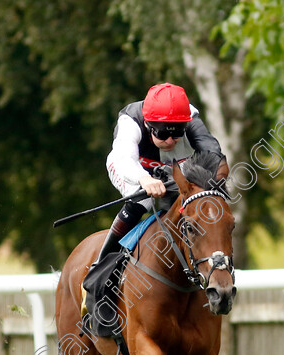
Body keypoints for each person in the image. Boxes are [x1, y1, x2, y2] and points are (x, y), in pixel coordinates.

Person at [86, 82, 225, 279]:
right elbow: (125, 160)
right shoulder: (130, 122)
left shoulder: (190, 117)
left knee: (190, 201)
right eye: (162, 133)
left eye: (177, 133)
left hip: (173, 169)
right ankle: (102, 267)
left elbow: (212, 151)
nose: (170, 140)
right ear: (147, 124)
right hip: (132, 168)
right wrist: (144, 179)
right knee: (144, 201)